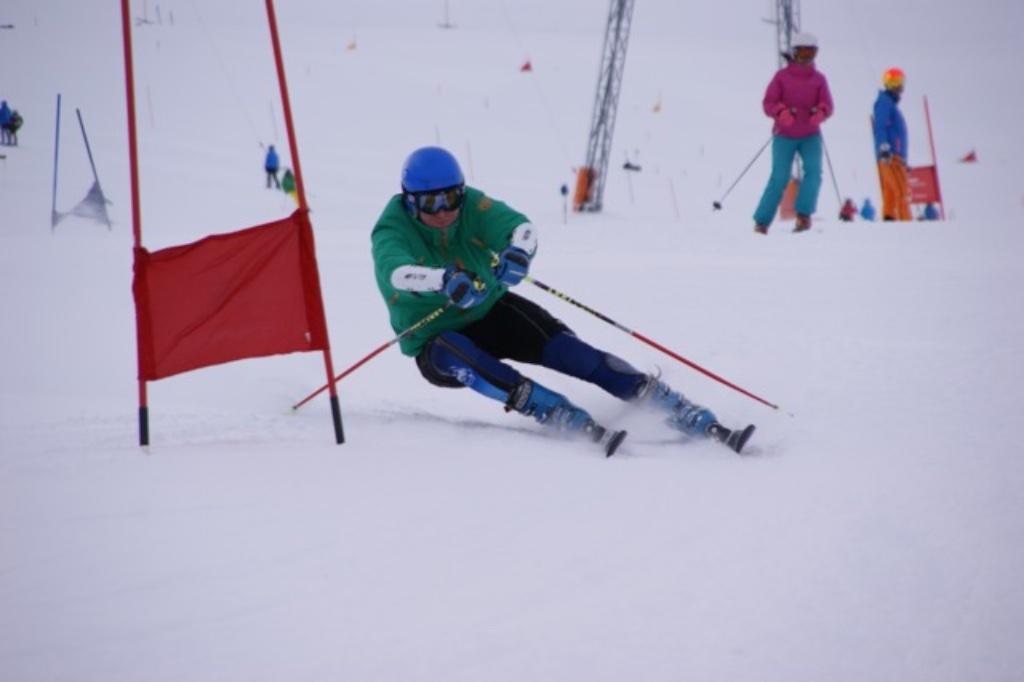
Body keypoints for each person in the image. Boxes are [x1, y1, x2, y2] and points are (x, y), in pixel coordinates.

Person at [370, 146, 754, 454]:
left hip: (490, 309)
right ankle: (555, 411)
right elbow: (396, 273)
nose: (444, 212)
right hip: (434, 340)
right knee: (463, 353)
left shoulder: (472, 205)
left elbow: (520, 227)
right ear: (409, 202)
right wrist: (443, 281)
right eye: (430, 203)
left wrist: (518, 254)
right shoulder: (391, 227)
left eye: (451, 198)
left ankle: (676, 408)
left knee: (575, 354)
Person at [752, 32, 833, 235]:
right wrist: (780, 112)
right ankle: (762, 222)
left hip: (810, 135)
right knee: (780, 177)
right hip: (784, 134)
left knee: (814, 173)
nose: (807, 58)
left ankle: (804, 216)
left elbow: (828, 104)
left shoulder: (819, 79)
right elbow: (768, 102)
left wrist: (821, 112)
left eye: (811, 53)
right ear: (795, 53)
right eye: (803, 53)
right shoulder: (782, 77)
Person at [873, 67, 911, 221]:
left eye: (899, 82)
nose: (896, 86)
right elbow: (880, 126)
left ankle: (890, 220)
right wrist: (884, 147)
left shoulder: (890, 104)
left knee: (890, 192)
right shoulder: (884, 103)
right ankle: (906, 223)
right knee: (901, 191)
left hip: (896, 156)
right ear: (886, 83)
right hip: (890, 156)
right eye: (892, 81)